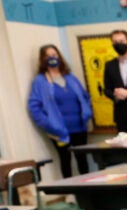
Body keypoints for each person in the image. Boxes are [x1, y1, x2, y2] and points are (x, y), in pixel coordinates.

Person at [27, 45, 93, 178]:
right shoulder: (40, 81)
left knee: (82, 160)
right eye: (48, 55)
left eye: (54, 54)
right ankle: (70, 192)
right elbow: (34, 106)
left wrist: (87, 112)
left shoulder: (70, 77)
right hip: (59, 131)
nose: (52, 57)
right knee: (65, 160)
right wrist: (48, 123)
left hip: (79, 126)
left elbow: (84, 96)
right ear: (43, 59)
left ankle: (89, 191)